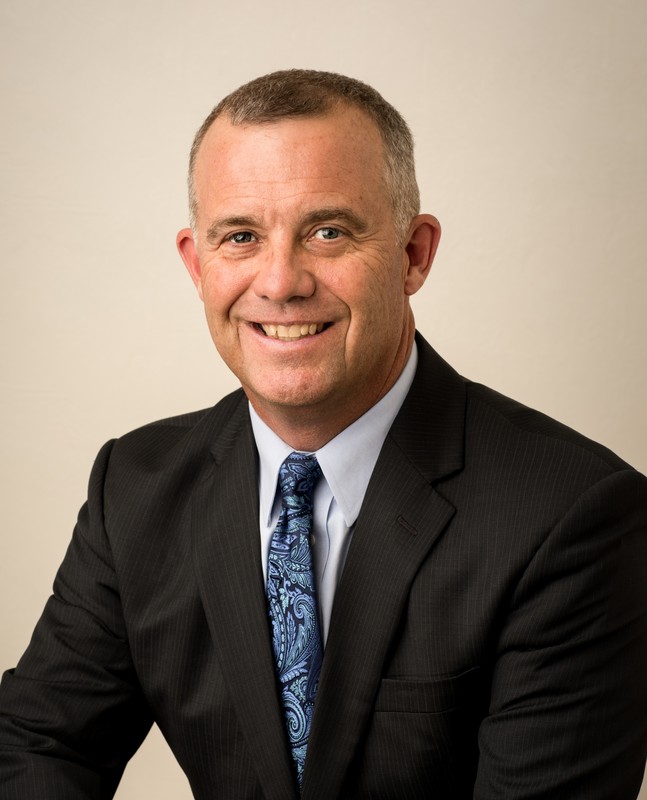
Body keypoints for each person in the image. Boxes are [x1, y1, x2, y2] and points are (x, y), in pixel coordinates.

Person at [0, 69, 646, 800]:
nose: (279, 281)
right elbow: (37, 746)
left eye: (328, 231)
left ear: (413, 254)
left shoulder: (571, 515)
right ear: (197, 264)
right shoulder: (135, 489)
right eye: (240, 237)